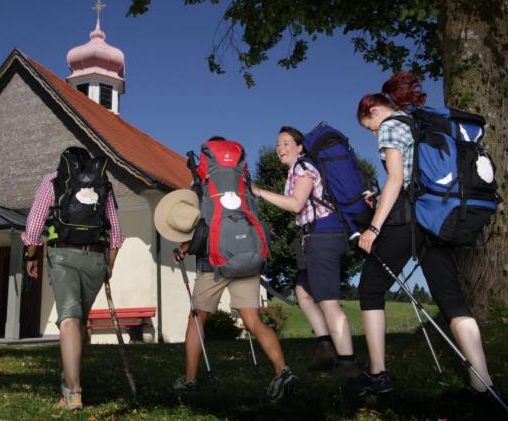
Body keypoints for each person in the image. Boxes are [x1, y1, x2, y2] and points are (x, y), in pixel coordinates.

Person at [350, 71, 495, 399]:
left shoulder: (390, 126)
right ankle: (482, 383)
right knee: (452, 300)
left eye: (368, 127)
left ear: (373, 112)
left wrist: (373, 227)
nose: (372, 133)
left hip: (406, 221)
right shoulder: (420, 121)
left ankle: (378, 374)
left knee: (370, 288)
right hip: (437, 216)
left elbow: (395, 179)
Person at [154, 182, 298, 401]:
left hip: (213, 265)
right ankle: (282, 370)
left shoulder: (200, 191)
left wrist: (184, 248)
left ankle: (190, 380)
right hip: (246, 260)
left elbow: (202, 232)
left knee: (197, 318)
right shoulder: (240, 189)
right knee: (253, 321)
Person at [251, 127, 361, 381]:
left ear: (301, 147)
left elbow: (296, 204)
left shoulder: (302, 167)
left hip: (324, 235)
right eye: (278, 144)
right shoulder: (297, 169)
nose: (280, 148)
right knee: (303, 291)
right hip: (317, 236)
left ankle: (348, 364)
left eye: (287, 143)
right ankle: (326, 348)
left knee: (328, 301)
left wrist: (258, 191)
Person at [22, 146, 124, 411]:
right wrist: (108, 267)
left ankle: (72, 393)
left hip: (63, 255)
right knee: (79, 322)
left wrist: (30, 256)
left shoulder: (52, 180)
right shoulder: (104, 184)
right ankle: (70, 381)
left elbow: (34, 226)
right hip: (96, 259)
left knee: (69, 319)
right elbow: (116, 234)